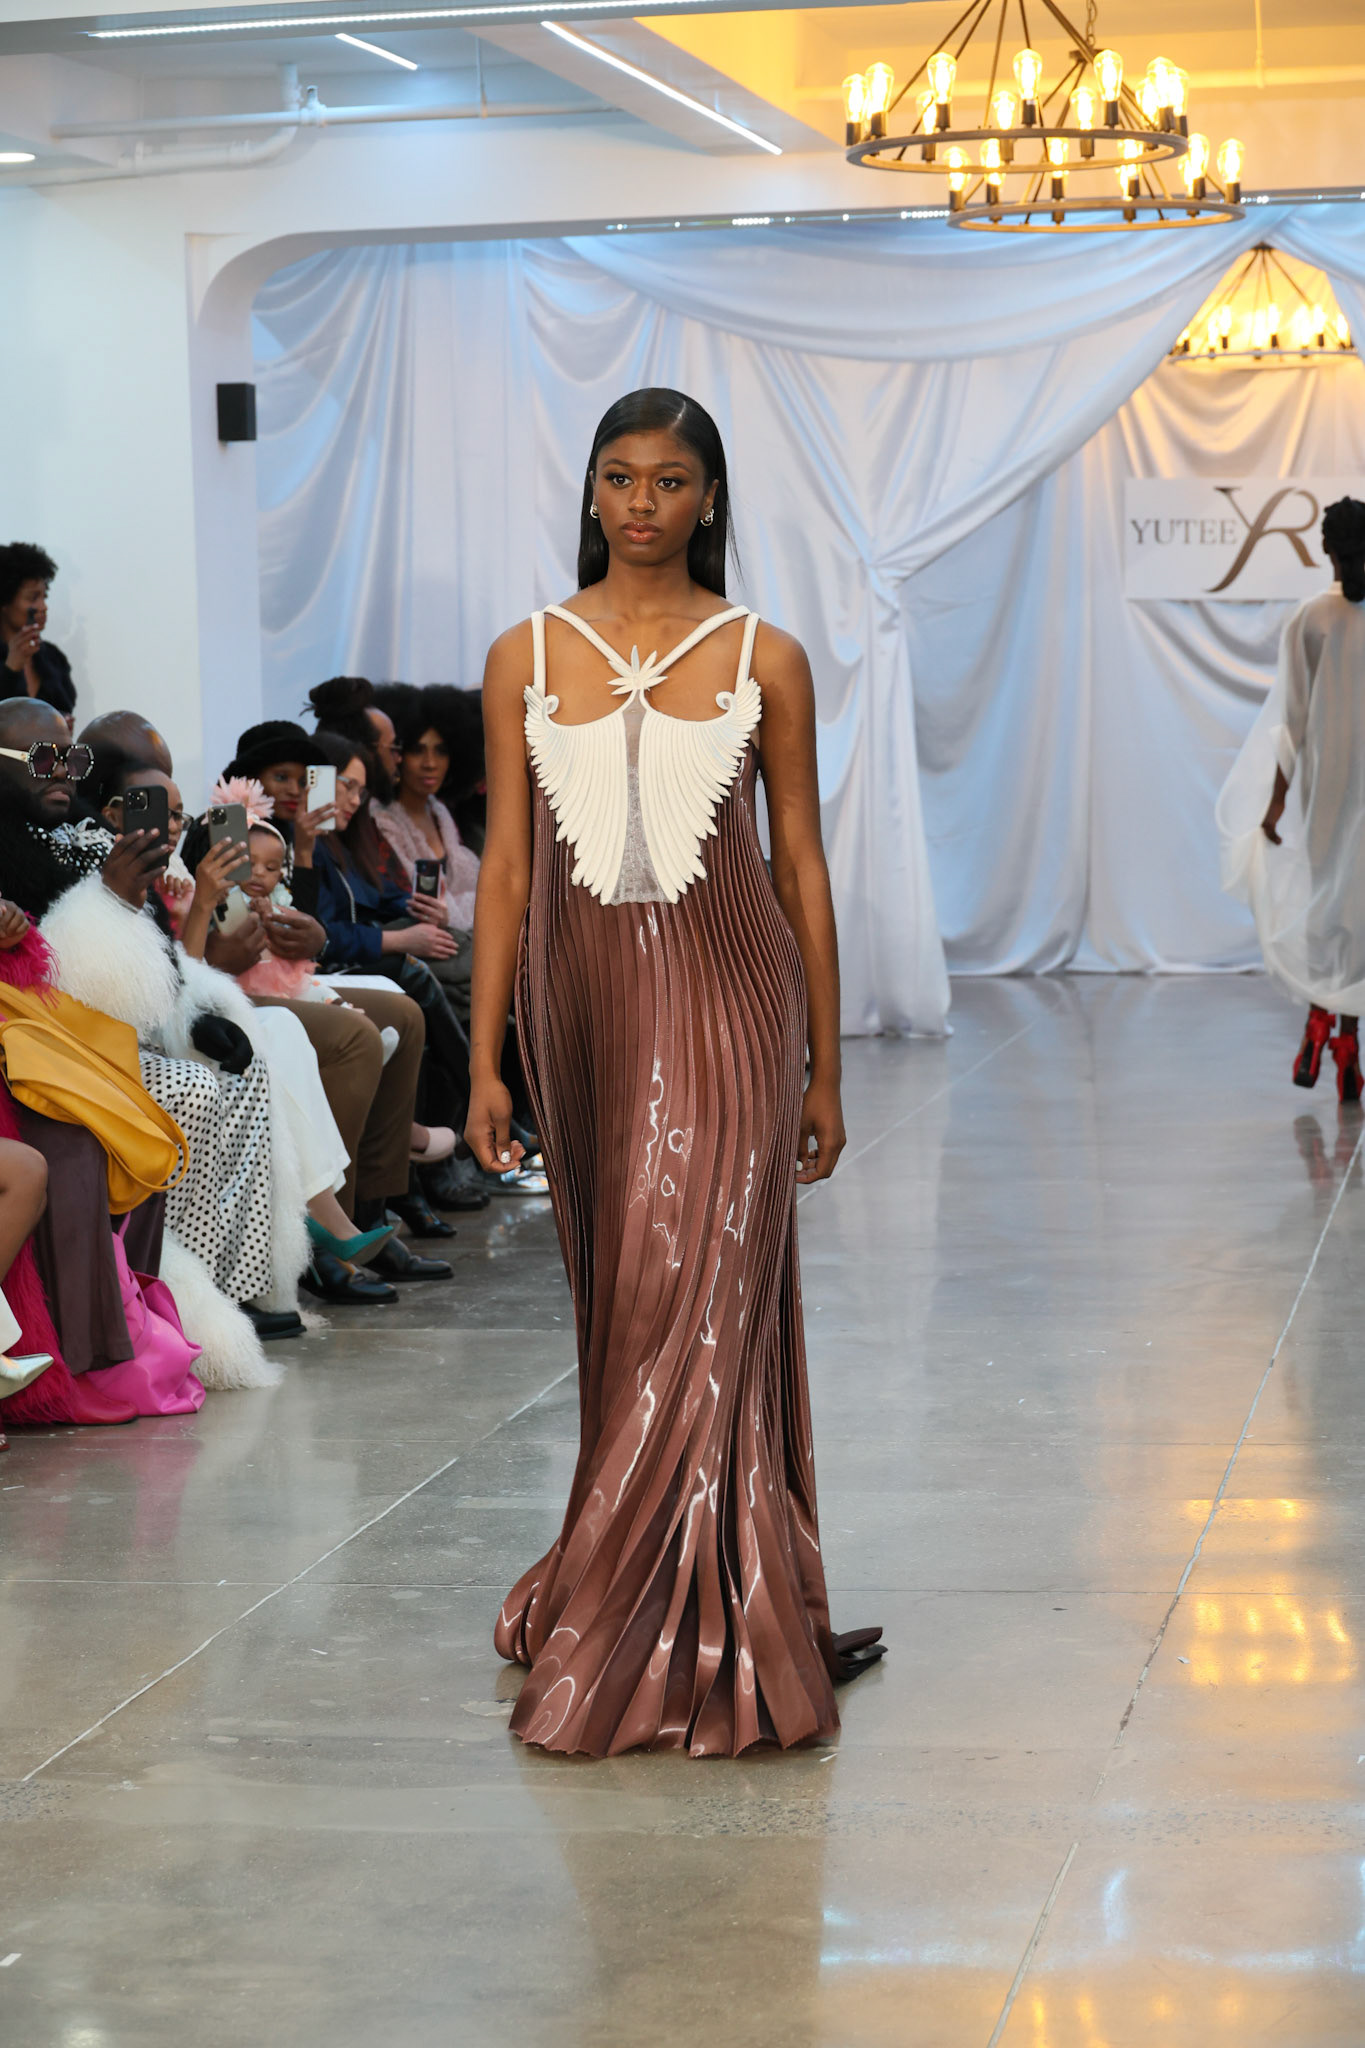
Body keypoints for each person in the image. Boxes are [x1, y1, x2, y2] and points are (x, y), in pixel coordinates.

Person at [466, 387, 883, 1758]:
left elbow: (798, 863)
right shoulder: (525, 652)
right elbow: (508, 870)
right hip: (584, 1009)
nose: (640, 502)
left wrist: (823, 1064)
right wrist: (484, 1060)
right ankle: (661, 1585)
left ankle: (689, 1612)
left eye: (668, 480)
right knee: (630, 1306)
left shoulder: (767, 655)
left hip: (734, 1000)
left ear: (709, 500)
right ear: (591, 490)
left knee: (698, 1296)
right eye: (618, 476)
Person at [216, 721, 454, 1282]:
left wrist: (304, 850)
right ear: (251, 780)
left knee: (404, 1012)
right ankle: (333, 1233)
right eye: (280, 778)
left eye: (304, 778)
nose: (294, 790)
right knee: (358, 1033)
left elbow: (311, 926)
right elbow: (230, 932)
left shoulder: (313, 836)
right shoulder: (230, 833)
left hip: (291, 971)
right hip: (241, 980)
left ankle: (375, 1208)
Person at [1218, 497, 1365, 1103]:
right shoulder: (1315, 620)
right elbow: (1294, 720)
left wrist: (1279, 800)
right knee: (1348, 908)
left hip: (1331, 784)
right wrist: (1279, 799)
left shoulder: (1312, 618)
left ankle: (1323, 1026)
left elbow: (1293, 720)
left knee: (1334, 906)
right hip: (1346, 788)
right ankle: (1343, 1040)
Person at [0, 542, 76, 720]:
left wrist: (62, 722)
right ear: (4, 601)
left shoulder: (53, 658)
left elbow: (65, 710)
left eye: (44, 596)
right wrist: (11, 668)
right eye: (33, 598)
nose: (43, 607)